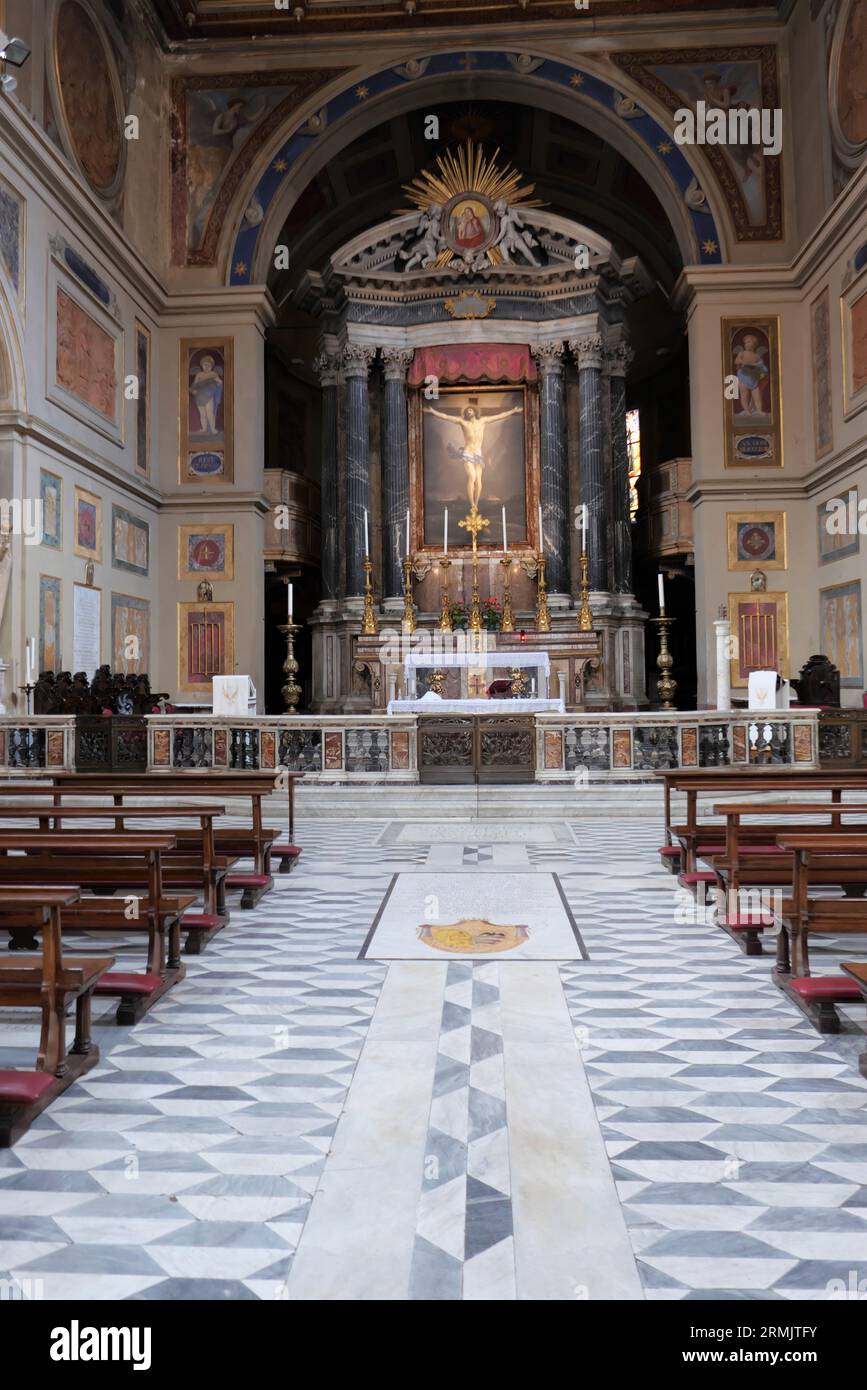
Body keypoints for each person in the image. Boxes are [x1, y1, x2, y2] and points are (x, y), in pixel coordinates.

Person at [423, 401, 523, 509]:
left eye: (470, 410)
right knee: (472, 477)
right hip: (468, 452)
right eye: (467, 411)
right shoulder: (462, 422)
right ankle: (472, 504)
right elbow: (446, 417)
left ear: (475, 412)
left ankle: (476, 503)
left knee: (479, 480)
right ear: (465, 414)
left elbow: (499, 416)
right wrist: (433, 411)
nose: (469, 412)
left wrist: (513, 411)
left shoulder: (483, 421)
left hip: (478, 453)